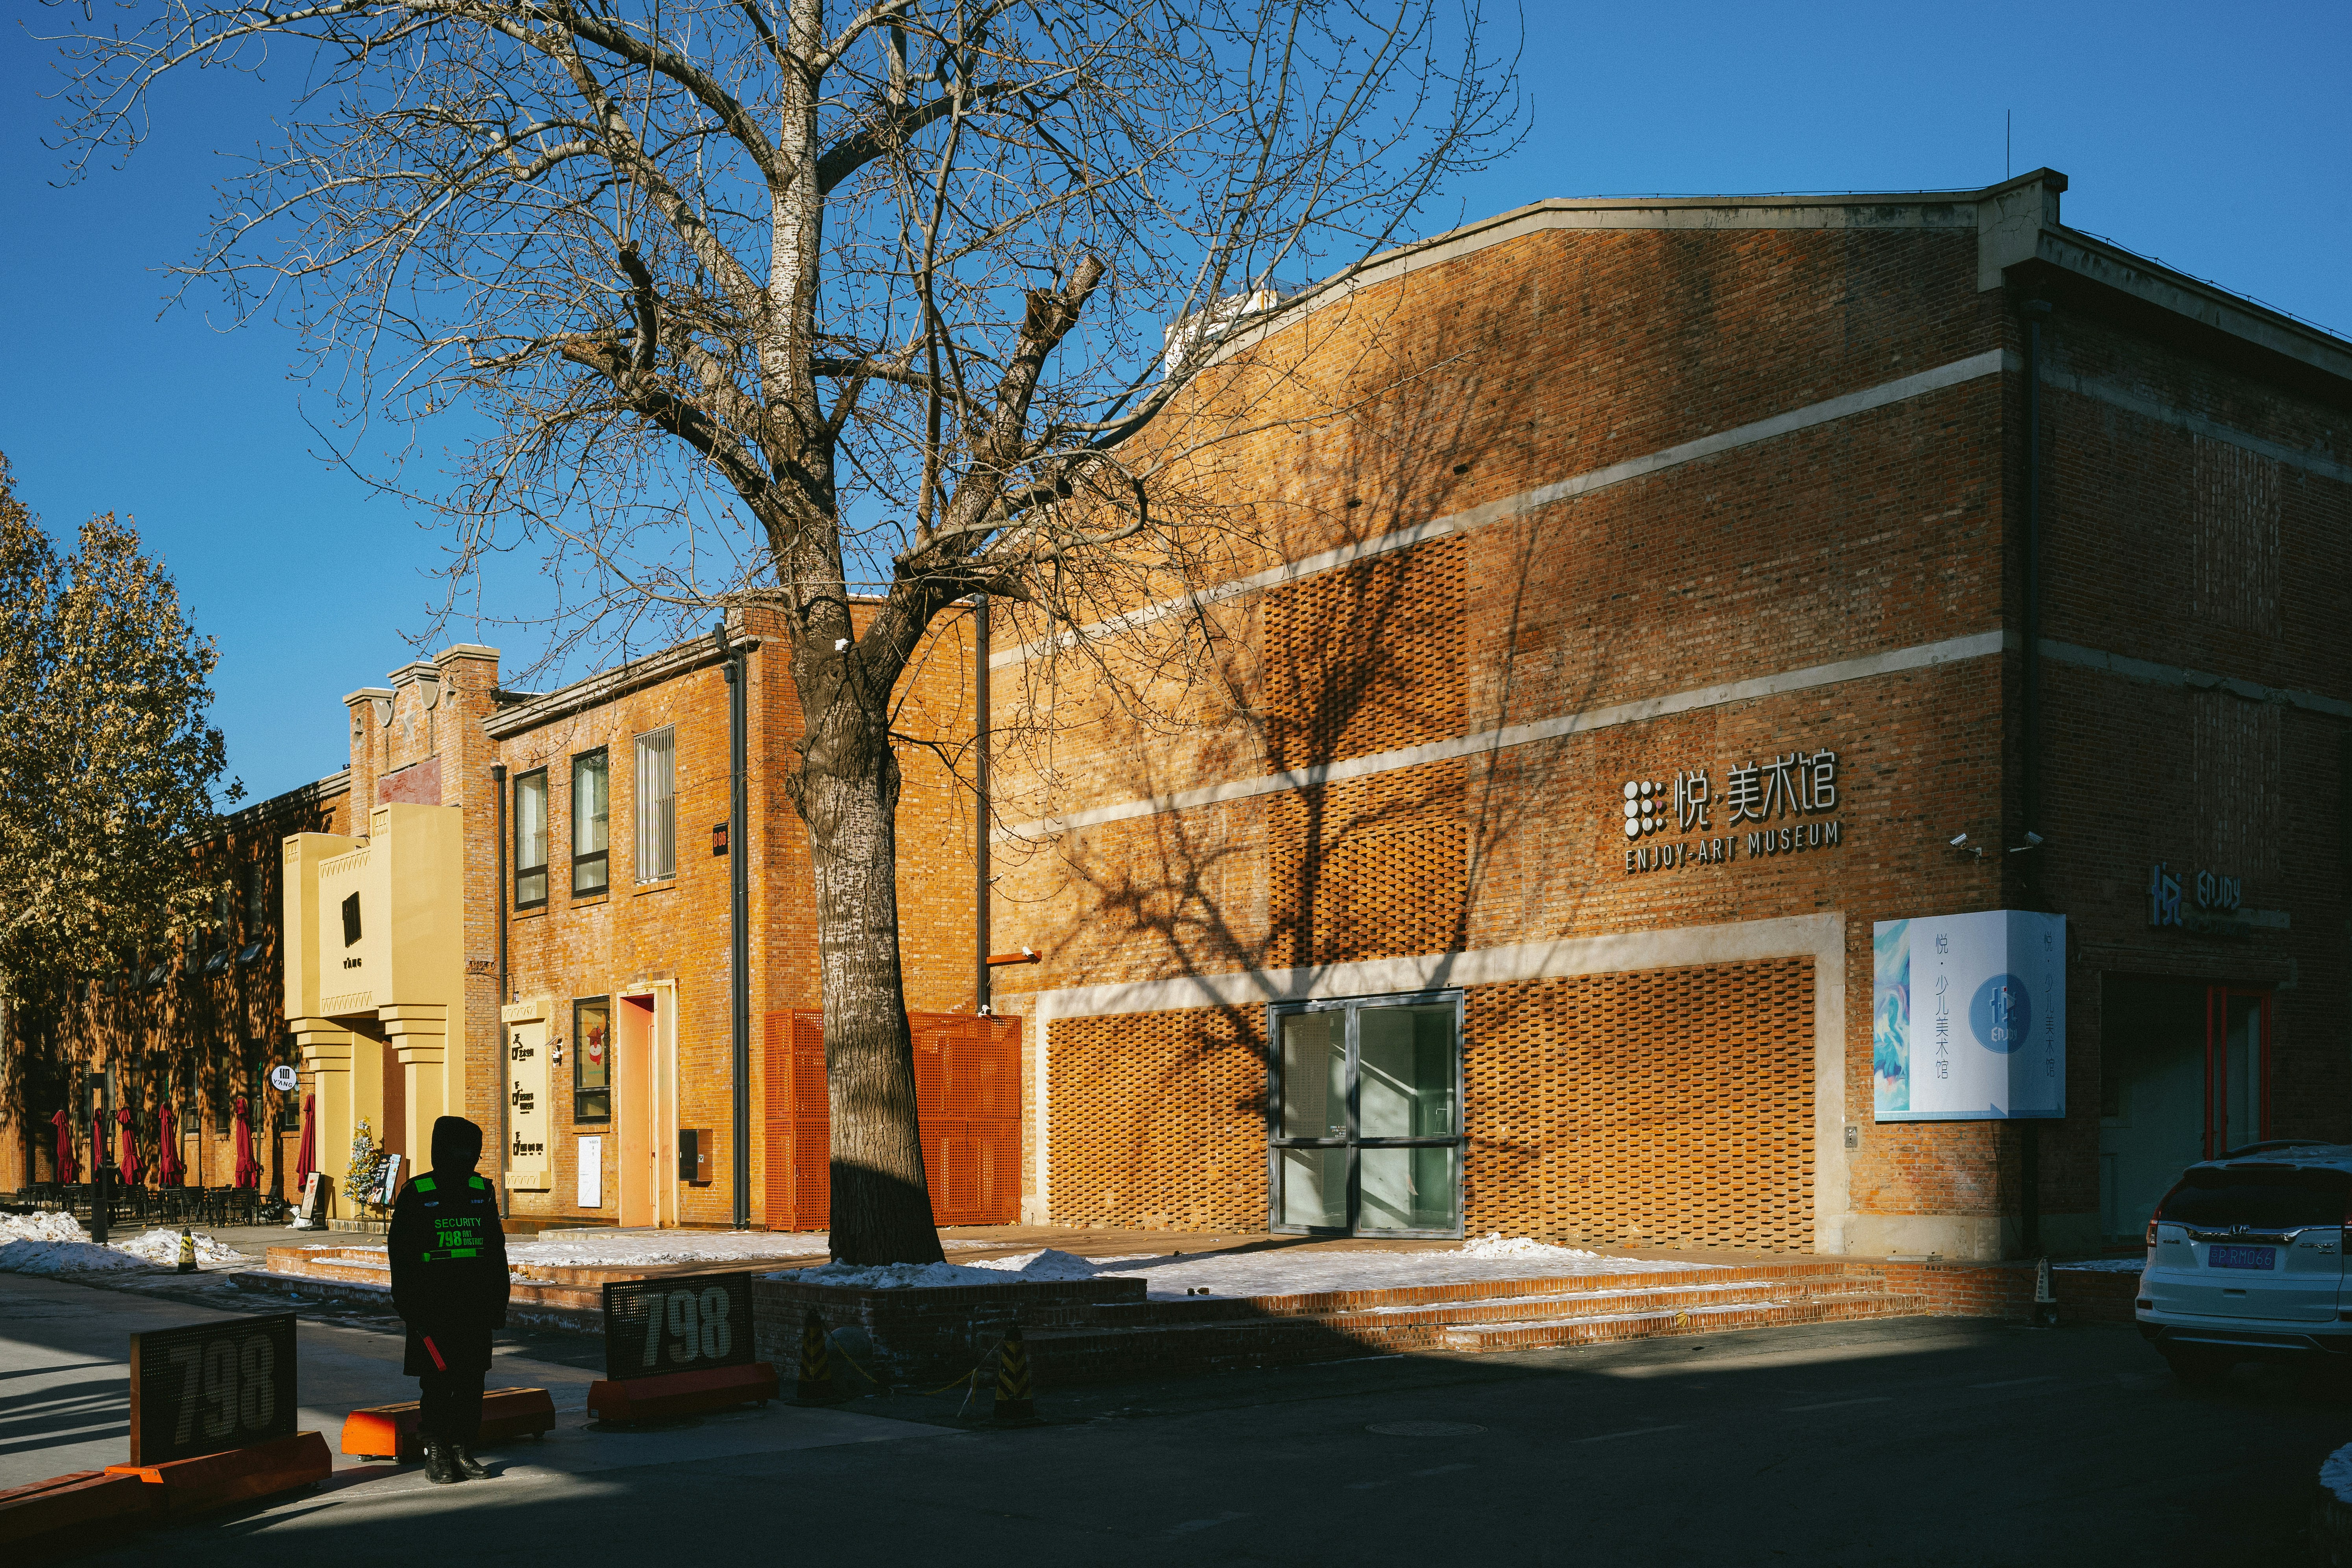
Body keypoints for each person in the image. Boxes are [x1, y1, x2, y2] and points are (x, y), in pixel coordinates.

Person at [387, 1116, 510, 1484]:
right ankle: (436, 1451)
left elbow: (495, 1251)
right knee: (437, 1384)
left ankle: (462, 1448)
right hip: (432, 1311)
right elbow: (402, 1256)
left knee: (473, 1382)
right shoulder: (417, 1193)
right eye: (458, 1149)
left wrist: (498, 1302)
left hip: (474, 1309)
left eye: (470, 1150)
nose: (465, 1157)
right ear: (441, 1149)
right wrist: (408, 1307)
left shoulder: (481, 1191)